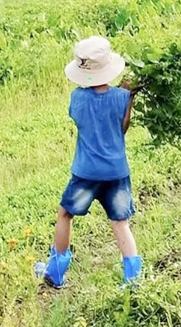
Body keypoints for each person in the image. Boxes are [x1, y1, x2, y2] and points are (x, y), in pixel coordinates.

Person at [36, 36, 142, 289]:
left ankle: (56, 271)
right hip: (116, 171)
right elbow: (121, 128)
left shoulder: (77, 99)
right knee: (120, 222)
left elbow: (83, 121)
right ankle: (134, 279)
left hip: (86, 172)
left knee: (65, 213)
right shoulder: (121, 96)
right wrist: (129, 98)